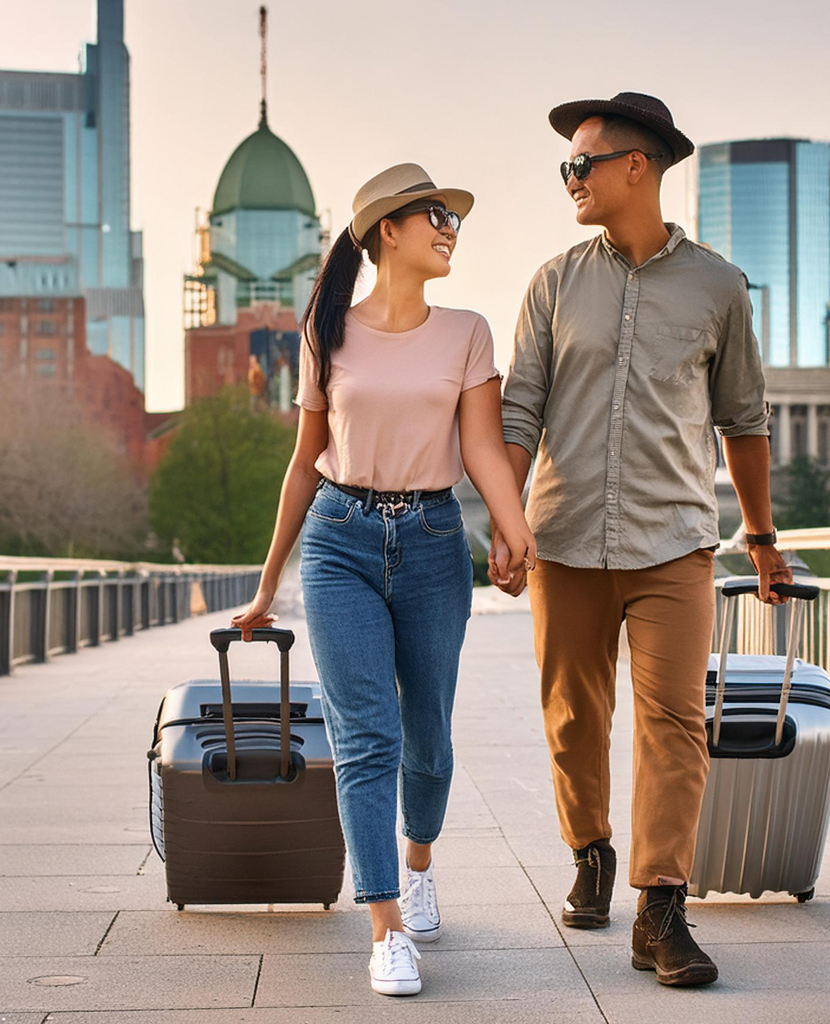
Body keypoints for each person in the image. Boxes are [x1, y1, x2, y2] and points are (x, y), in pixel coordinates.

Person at [489, 93, 792, 987]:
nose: (570, 180)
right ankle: (590, 849)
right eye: (566, 168)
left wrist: (763, 539)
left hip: (676, 545)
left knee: (673, 725)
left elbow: (744, 422)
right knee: (575, 719)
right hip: (567, 541)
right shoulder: (552, 282)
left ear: (638, 167)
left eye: (582, 164)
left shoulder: (718, 286)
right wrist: (509, 521)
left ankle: (662, 910)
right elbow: (520, 410)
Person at [232, 162, 537, 997]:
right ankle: (385, 925)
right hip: (339, 541)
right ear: (386, 232)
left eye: (453, 217)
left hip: (436, 541)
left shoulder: (468, 331)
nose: (449, 228)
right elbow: (303, 465)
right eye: (433, 214)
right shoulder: (325, 332)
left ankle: (420, 863)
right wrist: (267, 586)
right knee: (369, 738)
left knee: (428, 739)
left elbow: (480, 449)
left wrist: (518, 538)